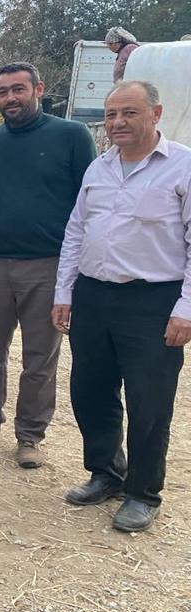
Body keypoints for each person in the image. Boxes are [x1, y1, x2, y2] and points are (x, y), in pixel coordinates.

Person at [53, 81, 191, 532]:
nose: (117, 124)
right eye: (111, 115)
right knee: (90, 391)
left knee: (149, 402)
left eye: (129, 113)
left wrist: (186, 308)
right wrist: (64, 293)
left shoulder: (182, 168)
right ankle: (106, 473)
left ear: (156, 112)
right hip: (94, 295)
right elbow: (76, 232)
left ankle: (143, 492)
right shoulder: (99, 168)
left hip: (152, 300)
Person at [0, 63, 96, 467]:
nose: (10, 98)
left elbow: (88, 202)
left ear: (38, 89)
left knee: (39, 357)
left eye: (18, 89)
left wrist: (77, 268)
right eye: (3, 91)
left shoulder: (71, 136)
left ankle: (30, 435)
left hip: (48, 263)